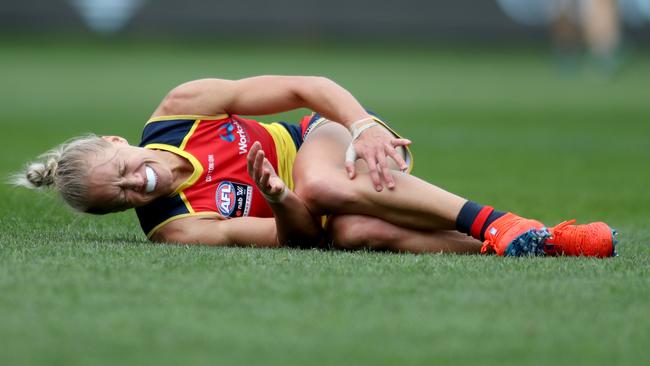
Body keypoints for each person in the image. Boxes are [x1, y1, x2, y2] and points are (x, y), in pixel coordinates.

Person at [14, 76, 617, 257]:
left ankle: (499, 221)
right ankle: (541, 242)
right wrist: (277, 198)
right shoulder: (176, 225)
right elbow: (303, 240)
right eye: (120, 199)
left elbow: (308, 85)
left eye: (122, 168)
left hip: (325, 138)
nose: (133, 185)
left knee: (324, 182)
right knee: (354, 233)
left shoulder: (180, 110)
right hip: (318, 205)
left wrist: (363, 125)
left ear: (122, 139)